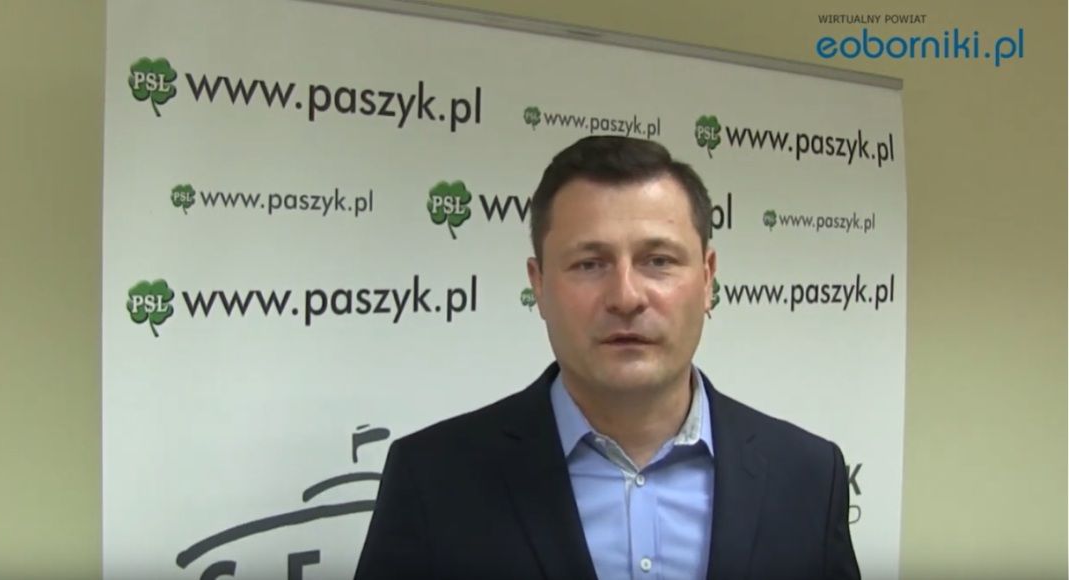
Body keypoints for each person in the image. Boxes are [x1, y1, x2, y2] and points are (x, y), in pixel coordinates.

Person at [355, 136, 860, 580]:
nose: (625, 297)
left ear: (708, 279)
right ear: (539, 284)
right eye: (589, 264)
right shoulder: (432, 479)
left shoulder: (810, 478)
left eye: (658, 261)